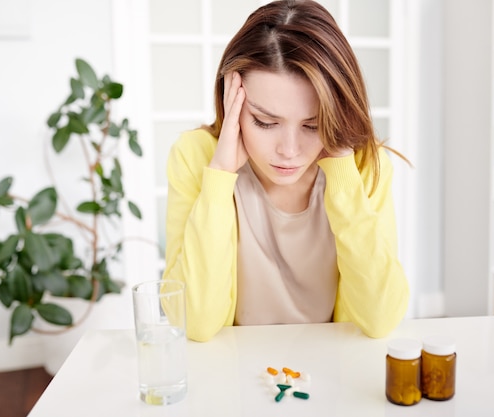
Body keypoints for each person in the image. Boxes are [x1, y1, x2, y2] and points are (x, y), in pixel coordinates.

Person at [163, 0, 410, 342]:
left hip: (331, 368)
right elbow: (195, 323)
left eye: (312, 125)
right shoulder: (197, 157)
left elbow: (380, 318)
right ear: (230, 102)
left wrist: (341, 171)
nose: (289, 151)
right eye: (265, 122)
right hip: (233, 373)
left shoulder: (364, 165)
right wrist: (219, 178)